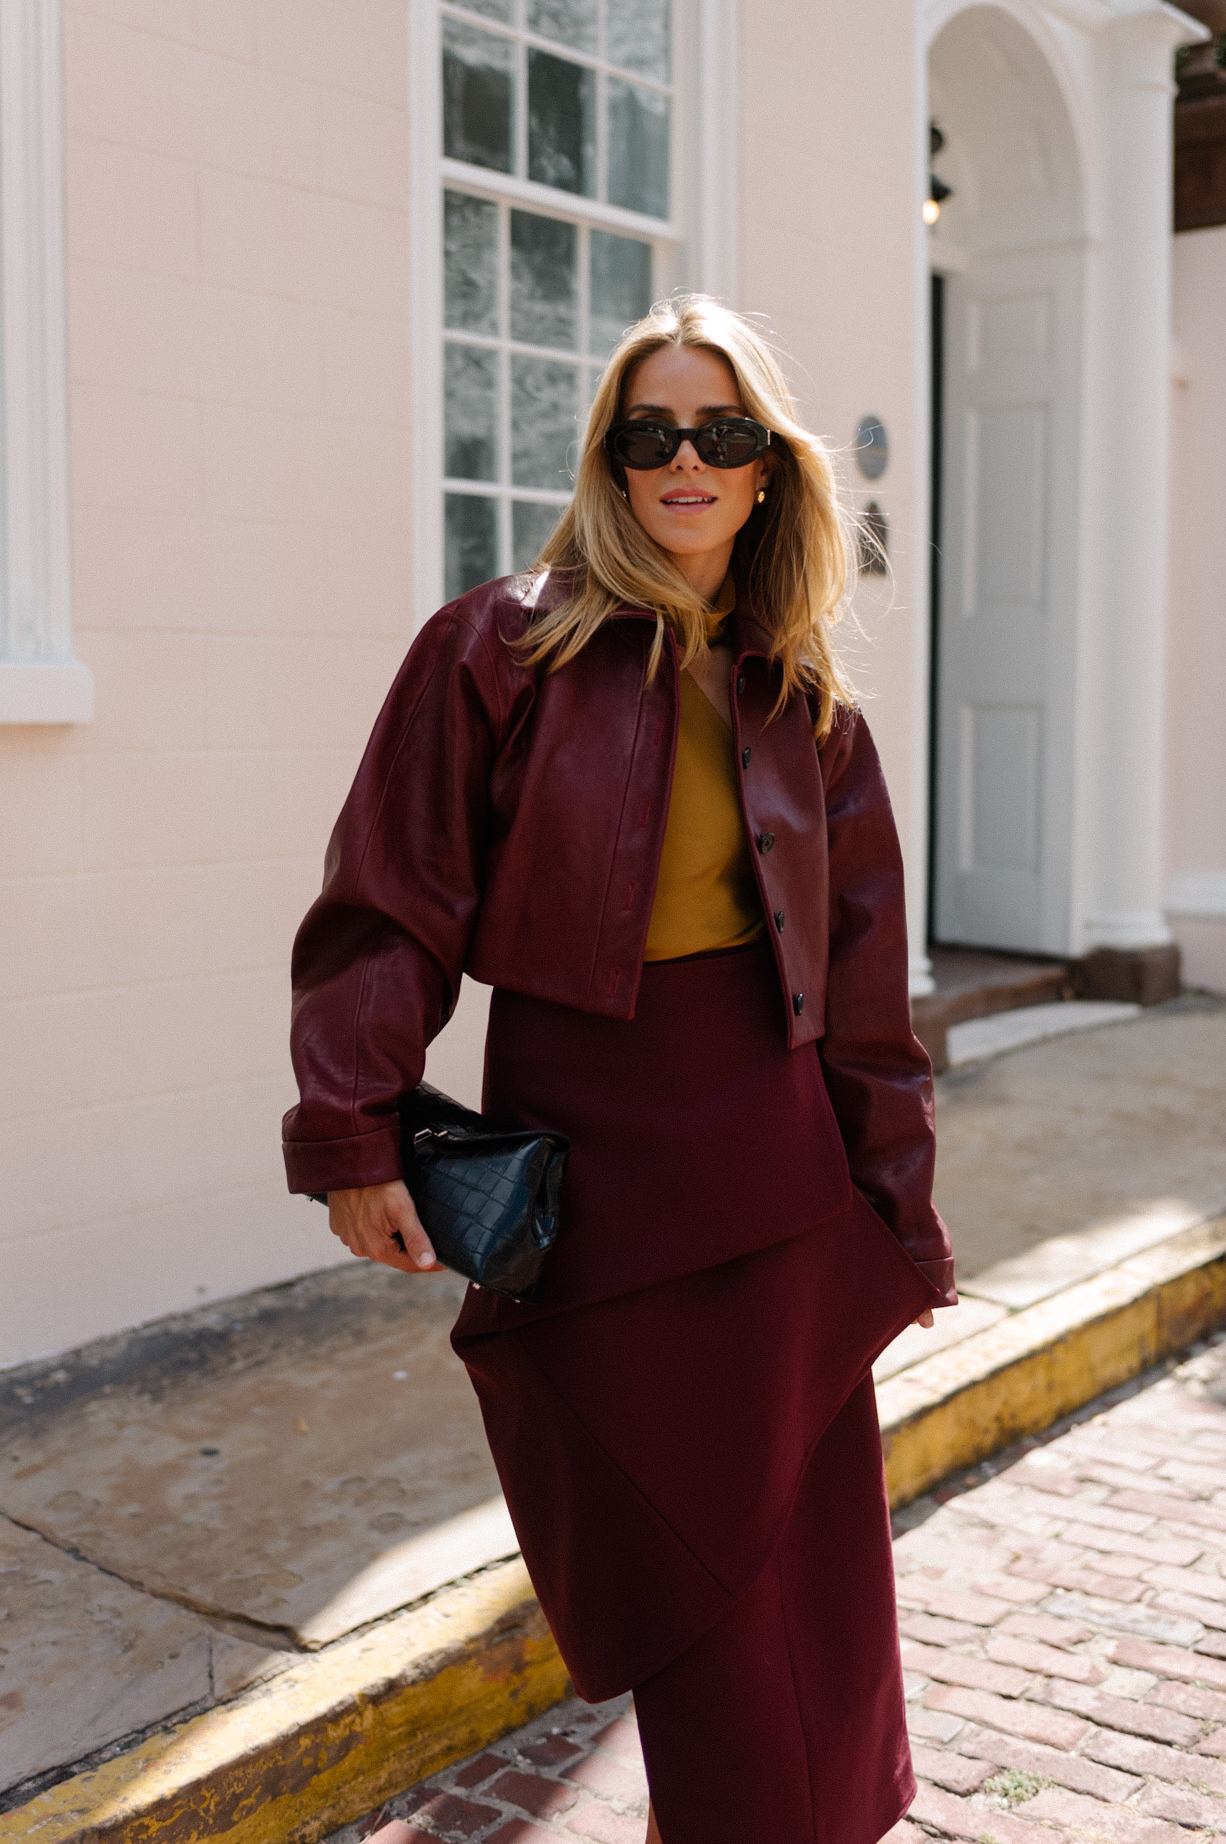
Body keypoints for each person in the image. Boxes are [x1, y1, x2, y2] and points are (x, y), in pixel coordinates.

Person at [282, 296, 955, 1844]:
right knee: (686, 1578)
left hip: (779, 1175)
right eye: (648, 434)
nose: (685, 462)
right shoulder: (497, 650)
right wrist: (353, 1131)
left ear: (771, 469)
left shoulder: (807, 702)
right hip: (595, 1177)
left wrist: (898, 1213)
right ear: (609, 458)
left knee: (815, 1574)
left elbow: (866, 1002)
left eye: (721, 433)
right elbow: (389, 900)